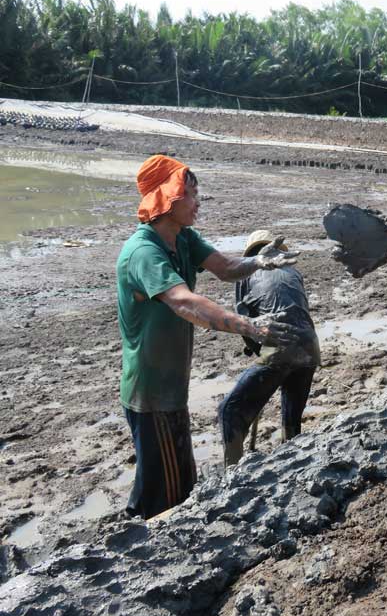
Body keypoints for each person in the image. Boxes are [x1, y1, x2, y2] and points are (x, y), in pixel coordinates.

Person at [116, 154, 300, 519]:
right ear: (169, 198)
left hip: (170, 386)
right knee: (165, 494)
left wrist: (259, 262)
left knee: (175, 482)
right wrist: (249, 326)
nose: (199, 202)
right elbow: (185, 302)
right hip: (151, 392)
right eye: (192, 194)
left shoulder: (182, 238)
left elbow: (227, 267)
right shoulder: (143, 252)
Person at [219, 229, 321, 466]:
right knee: (291, 416)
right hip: (310, 345)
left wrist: (257, 350)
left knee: (229, 411)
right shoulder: (292, 271)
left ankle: (231, 472)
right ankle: (293, 459)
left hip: (278, 348)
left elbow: (247, 321)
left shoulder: (245, 273)